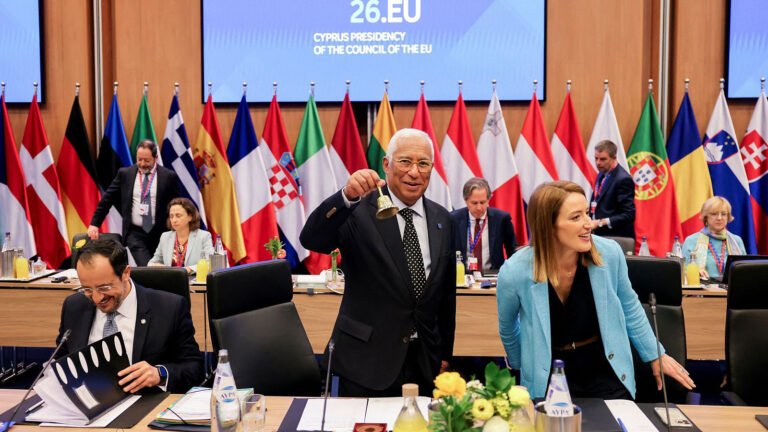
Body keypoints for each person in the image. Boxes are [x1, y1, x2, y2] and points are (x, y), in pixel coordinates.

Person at [497, 181, 694, 399]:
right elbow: (508, 328)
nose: (588, 224)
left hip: (605, 369)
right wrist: (524, 366)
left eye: (587, 213)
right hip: (548, 374)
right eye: (576, 217)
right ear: (548, 225)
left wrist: (655, 354)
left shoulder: (609, 253)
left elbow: (629, 306)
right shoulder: (515, 271)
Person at [300, 128, 456, 397]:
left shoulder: (443, 219)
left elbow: (445, 297)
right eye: (405, 161)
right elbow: (312, 239)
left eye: (423, 163)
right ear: (386, 164)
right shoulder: (357, 210)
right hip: (365, 363)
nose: (414, 172)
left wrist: (443, 354)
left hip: (423, 363)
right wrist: (346, 196)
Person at [56, 239, 204, 393]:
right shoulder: (74, 306)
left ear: (126, 273)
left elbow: (194, 368)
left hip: (144, 401)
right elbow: (61, 361)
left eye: (104, 287)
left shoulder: (169, 308)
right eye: (87, 289)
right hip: (87, 400)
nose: (97, 298)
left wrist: (159, 373)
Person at [88, 140, 180, 266]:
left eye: (146, 160)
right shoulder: (125, 174)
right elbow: (107, 200)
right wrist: (95, 223)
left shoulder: (168, 176)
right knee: (147, 266)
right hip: (135, 233)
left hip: (161, 233)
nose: (142, 164)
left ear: (156, 158)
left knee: (160, 267)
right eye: (139, 159)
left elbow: (177, 205)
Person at [451, 177, 516, 273]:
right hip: (463, 276)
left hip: (493, 275)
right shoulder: (453, 219)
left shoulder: (501, 219)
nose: (479, 207)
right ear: (465, 200)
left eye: (482, 202)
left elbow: (512, 250)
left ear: (489, 199)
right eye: (474, 203)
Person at [682, 196, 746, 279]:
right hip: (702, 286)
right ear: (706, 217)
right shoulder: (691, 240)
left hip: (732, 286)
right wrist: (694, 272)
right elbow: (683, 272)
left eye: (723, 214)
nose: (719, 218)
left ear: (728, 217)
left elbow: (744, 270)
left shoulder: (737, 241)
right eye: (714, 214)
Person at [148, 197, 213, 271]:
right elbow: (151, 263)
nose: (174, 220)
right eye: (171, 216)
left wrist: (188, 269)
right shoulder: (165, 237)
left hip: (192, 277)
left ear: (190, 217)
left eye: (178, 216)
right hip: (170, 277)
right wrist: (166, 269)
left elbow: (210, 263)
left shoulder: (204, 236)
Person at [590, 140, 636, 240]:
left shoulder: (623, 179)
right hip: (599, 235)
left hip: (615, 237)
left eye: (603, 159)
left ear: (614, 158)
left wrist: (600, 223)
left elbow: (628, 215)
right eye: (596, 158)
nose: (598, 163)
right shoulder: (602, 173)